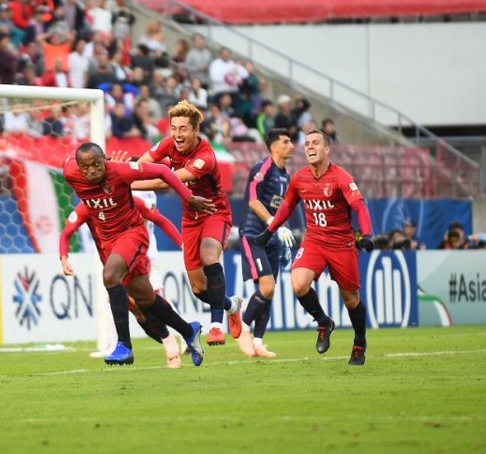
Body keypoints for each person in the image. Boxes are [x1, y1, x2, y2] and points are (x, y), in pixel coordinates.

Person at [63, 142, 214, 366]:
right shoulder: (70, 173)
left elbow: (163, 170)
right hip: (108, 242)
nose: (91, 170)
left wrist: (187, 196)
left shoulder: (120, 171)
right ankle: (188, 330)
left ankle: (124, 346)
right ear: (78, 168)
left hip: (131, 233)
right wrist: (63, 256)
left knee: (110, 276)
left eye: (96, 164)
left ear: (105, 160)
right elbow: (67, 163)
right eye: (85, 167)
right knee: (145, 300)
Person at [255, 130, 374, 365]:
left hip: (342, 244)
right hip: (315, 241)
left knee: (350, 299)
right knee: (299, 284)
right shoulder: (300, 178)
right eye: (307, 143)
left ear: (327, 149)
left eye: (316, 143)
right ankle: (323, 321)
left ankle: (359, 341)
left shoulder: (341, 177)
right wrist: (268, 231)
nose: (310, 147)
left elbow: (359, 206)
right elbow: (287, 206)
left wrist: (367, 234)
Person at [135, 100, 241, 346]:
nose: (177, 134)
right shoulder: (168, 144)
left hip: (214, 212)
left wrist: (130, 183)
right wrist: (121, 171)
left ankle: (216, 326)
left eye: (183, 129)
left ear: (195, 131)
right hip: (190, 218)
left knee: (208, 255)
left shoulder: (205, 157)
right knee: (199, 288)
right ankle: (231, 305)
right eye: (174, 128)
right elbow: (141, 165)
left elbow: (169, 181)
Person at [60, 195, 184, 368]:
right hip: (112, 267)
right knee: (138, 313)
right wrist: (64, 258)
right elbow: (66, 233)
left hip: (139, 259)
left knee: (146, 304)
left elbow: (160, 218)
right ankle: (170, 339)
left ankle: (181, 339)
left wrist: (182, 244)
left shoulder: (129, 198)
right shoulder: (88, 206)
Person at [235, 128, 295, 358]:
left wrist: (283, 233)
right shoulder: (263, 168)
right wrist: (273, 223)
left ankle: (258, 341)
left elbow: (281, 209)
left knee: (268, 292)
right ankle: (242, 328)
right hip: (254, 235)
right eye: (286, 141)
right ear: (274, 147)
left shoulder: (285, 176)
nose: (291, 145)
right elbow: (253, 200)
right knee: (267, 287)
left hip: (272, 238)